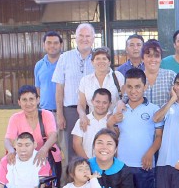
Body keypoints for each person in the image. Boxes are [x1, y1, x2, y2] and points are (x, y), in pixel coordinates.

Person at [107, 68, 162, 188]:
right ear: (124, 88)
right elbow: (113, 133)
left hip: (145, 168)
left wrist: (149, 153)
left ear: (145, 87)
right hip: (123, 168)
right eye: (129, 87)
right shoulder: (119, 109)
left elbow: (159, 137)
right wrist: (111, 121)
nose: (133, 91)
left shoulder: (154, 110)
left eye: (137, 86)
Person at [52, 22, 95, 162]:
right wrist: (60, 114)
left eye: (88, 36)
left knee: (93, 146)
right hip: (70, 112)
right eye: (81, 35)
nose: (84, 39)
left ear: (93, 38)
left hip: (94, 111)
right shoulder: (65, 58)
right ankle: (74, 182)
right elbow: (59, 89)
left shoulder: (99, 58)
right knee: (72, 149)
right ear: (75, 38)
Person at [4, 85, 62, 180]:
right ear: (19, 102)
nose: (28, 103)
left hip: (48, 157)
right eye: (24, 100)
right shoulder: (15, 118)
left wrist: (43, 150)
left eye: (31, 99)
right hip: (25, 159)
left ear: (38, 100)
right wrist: (11, 150)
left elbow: (53, 135)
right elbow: (7, 139)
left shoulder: (47, 115)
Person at [77, 47, 124, 131]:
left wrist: (120, 105)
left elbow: (125, 98)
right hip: (92, 124)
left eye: (104, 58)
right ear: (92, 62)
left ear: (109, 62)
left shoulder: (118, 76)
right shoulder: (85, 80)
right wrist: (82, 115)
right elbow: (81, 104)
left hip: (115, 124)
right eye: (97, 58)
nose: (101, 61)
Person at [72, 88, 111, 158]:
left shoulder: (112, 121)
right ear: (92, 101)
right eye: (97, 102)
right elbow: (76, 144)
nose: (100, 105)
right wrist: (88, 163)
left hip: (108, 165)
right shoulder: (82, 120)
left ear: (110, 104)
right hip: (87, 164)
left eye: (104, 102)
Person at [141, 39, 176, 108]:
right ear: (142, 58)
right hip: (140, 118)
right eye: (149, 56)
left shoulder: (171, 76)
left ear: (161, 59)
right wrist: (120, 103)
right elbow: (125, 100)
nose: (153, 60)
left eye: (156, 56)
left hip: (166, 118)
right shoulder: (137, 78)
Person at [34, 31, 62, 112]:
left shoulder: (67, 63)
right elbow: (38, 89)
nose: (52, 46)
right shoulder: (39, 65)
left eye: (55, 43)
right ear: (44, 45)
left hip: (64, 112)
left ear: (61, 45)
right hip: (44, 111)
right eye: (49, 43)